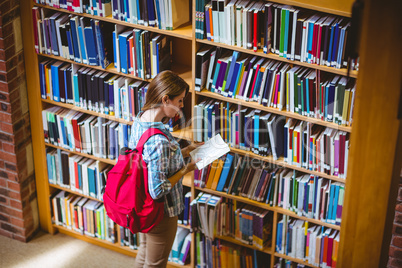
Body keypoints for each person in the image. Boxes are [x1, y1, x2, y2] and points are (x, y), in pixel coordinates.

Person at [129, 70, 201, 268]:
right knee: (156, 264)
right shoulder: (159, 141)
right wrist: (186, 169)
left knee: (144, 254)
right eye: (179, 101)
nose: (181, 106)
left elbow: (151, 160)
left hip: (141, 203)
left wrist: (186, 150)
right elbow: (158, 189)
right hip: (161, 212)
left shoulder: (141, 119)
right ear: (165, 99)